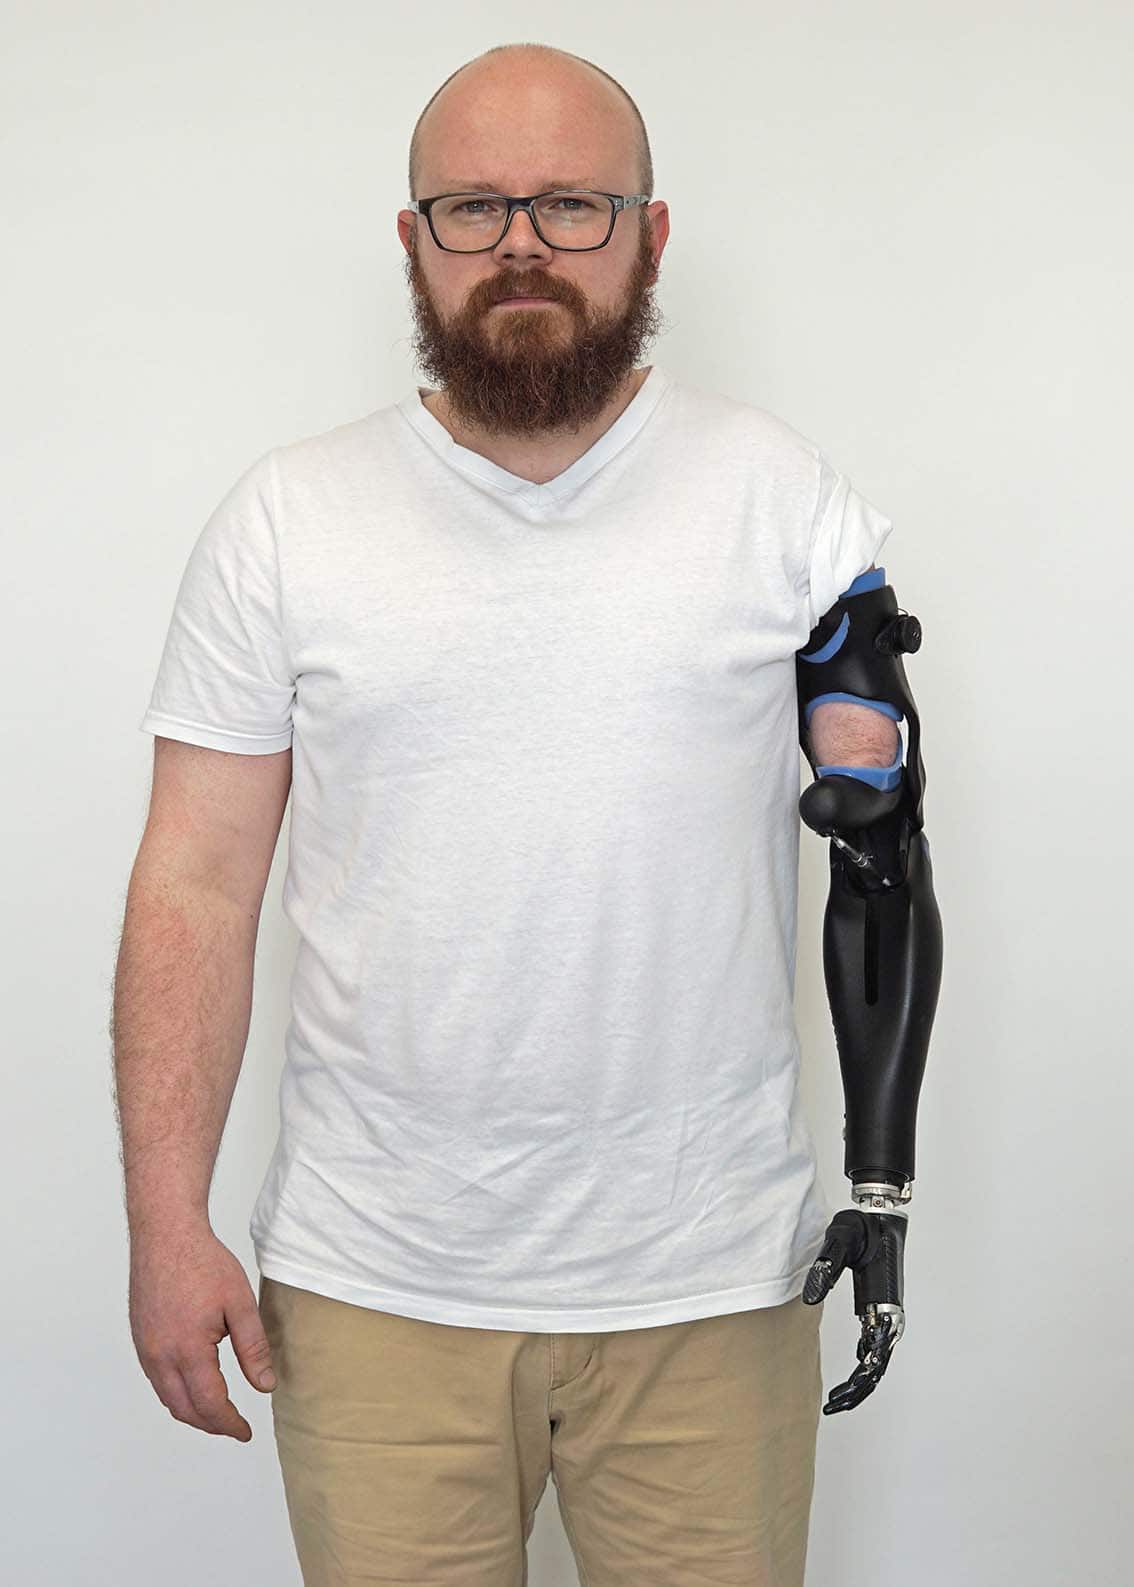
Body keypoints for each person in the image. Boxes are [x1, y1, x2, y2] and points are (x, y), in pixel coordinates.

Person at [113, 40, 912, 1587]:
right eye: (473, 206)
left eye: (572, 204)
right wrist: (165, 1222)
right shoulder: (286, 517)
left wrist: (883, 1185)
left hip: (707, 1284)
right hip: (372, 1287)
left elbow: (884, 848)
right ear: (411, 238)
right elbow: (195, 880)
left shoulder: (781, 501)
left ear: (650, 235)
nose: (522, 245)